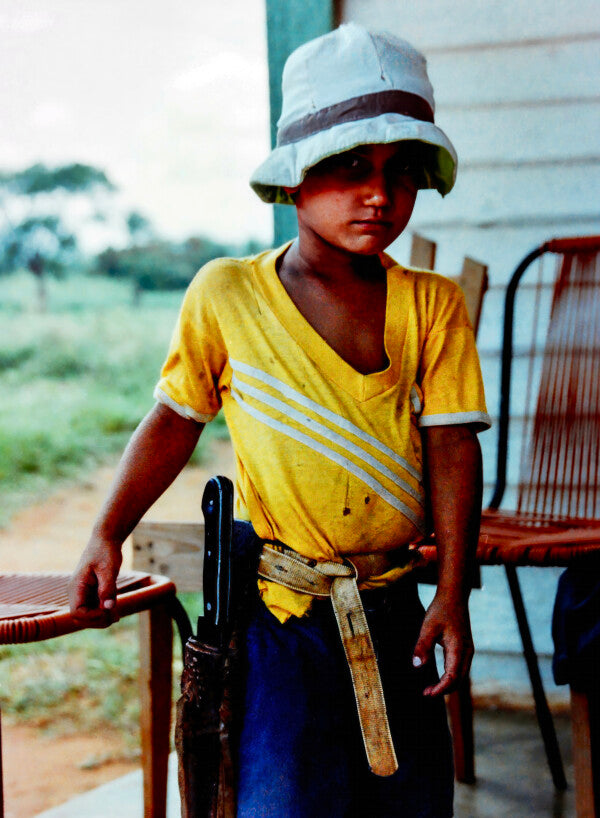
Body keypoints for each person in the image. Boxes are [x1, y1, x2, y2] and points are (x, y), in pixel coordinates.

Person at [70, 23, 491, 817]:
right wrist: (107, 532)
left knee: (409, 804)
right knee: (280, 797)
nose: (379, 192)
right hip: (284, 617)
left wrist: (454, 593)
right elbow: (173, 420)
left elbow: (452, 448)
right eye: (350, 168)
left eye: (400, 172)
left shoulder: (432, 304)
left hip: (397, 608)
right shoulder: (228, 295)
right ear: (295, 180)